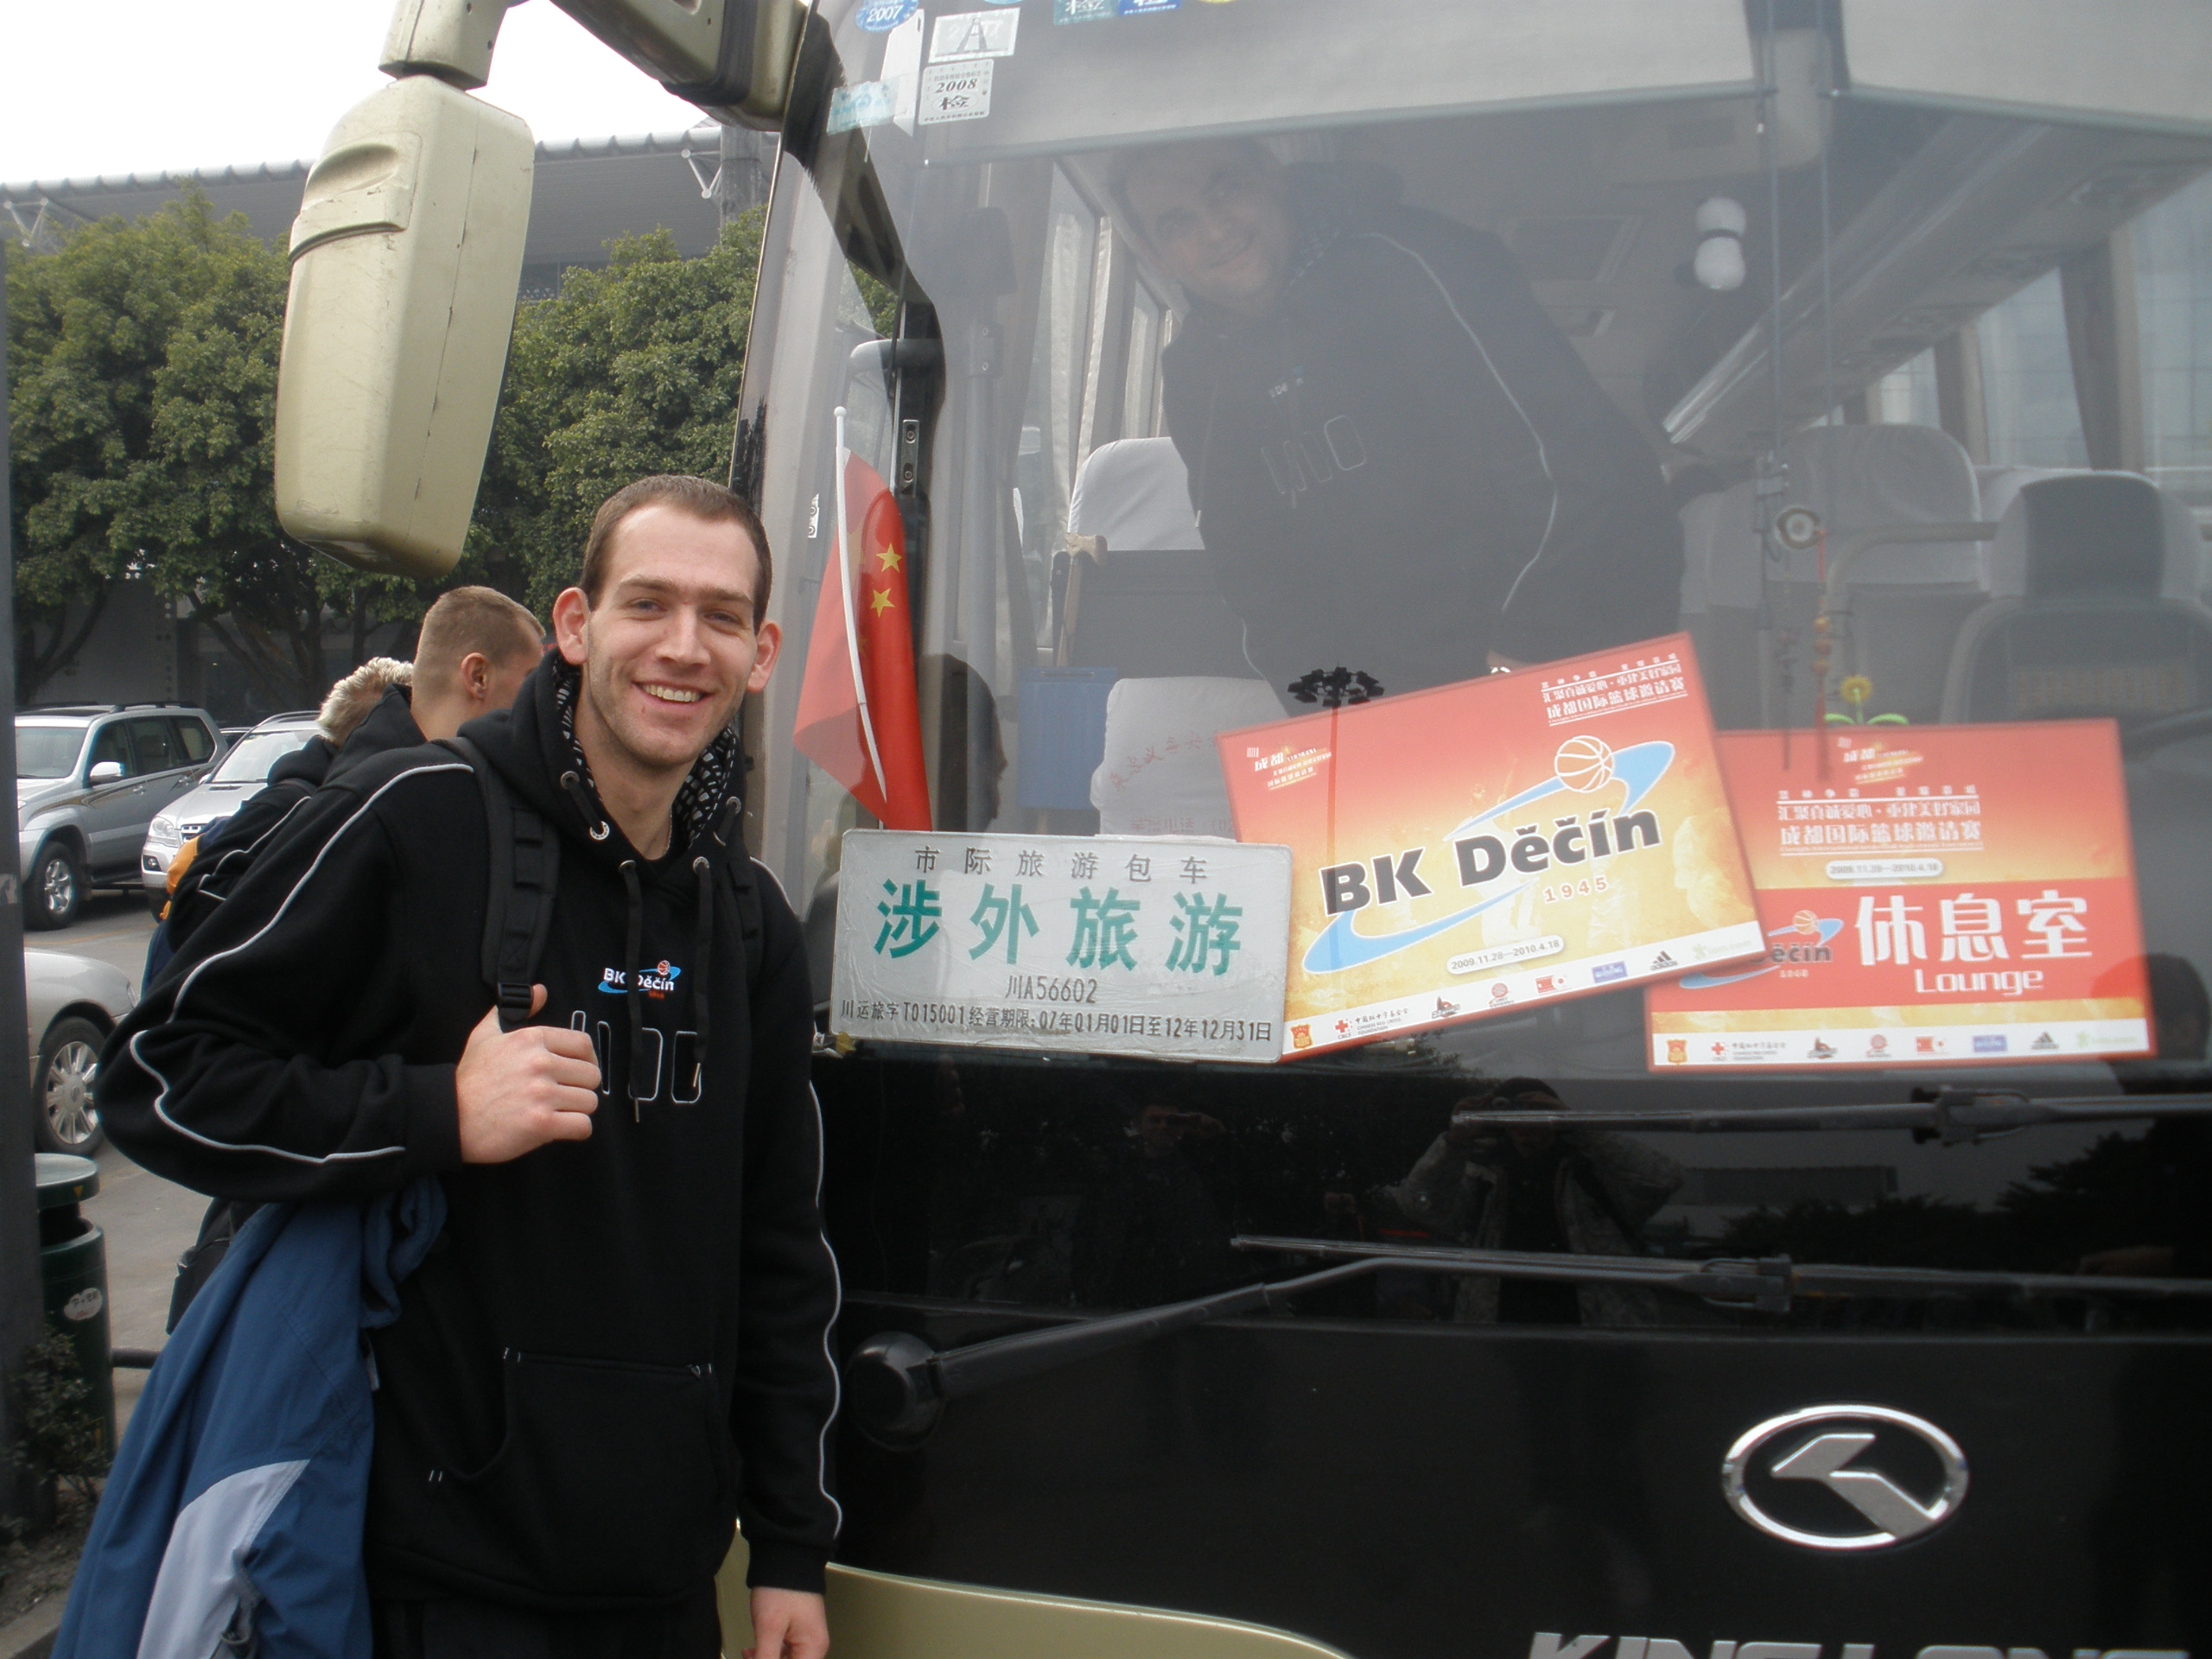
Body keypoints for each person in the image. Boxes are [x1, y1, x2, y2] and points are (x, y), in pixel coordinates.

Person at [99, 476, 836, 1658]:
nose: (683, 647)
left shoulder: (749, 922)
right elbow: (160, 1075)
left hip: (663, 1587)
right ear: (577, 625)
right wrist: (437, 1109)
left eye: (722, 616)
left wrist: (790, 1545)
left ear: (762, 655)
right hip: (434, 1586)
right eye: (648, 604)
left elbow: (778, 1254)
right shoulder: (418, 819)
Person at [1112, 139, 1681, 697]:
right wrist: (1329, 705)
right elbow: (1255, 570)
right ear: (1153, 253)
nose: (1215, 231)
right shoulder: (1195, 374)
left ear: (1270, 172)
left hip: (1576, 638)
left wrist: (1517, 661)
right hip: (1402, 694)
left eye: (1226, 189)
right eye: (1177, 223)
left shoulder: (1421, 262)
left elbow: (1574, 470)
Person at [1382, 1078, 1682, 1325]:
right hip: (1499, 1331)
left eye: (1536, 1113)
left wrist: (1578, 1125)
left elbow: (1663, 1179)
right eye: (1511, 1114)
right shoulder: (1481, 1175)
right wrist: (1455, 1140)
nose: (1525, 1124)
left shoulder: (1592, 1171)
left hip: (1600, 1331)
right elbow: (1420, 1205)